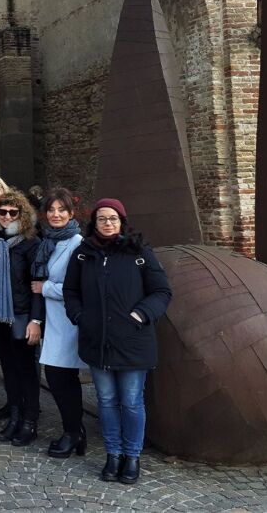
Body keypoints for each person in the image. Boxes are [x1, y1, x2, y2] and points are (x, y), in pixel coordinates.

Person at [64, 198, 172, 485]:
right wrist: (80, 316)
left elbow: (161, 291)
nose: (107, 223)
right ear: (94, 223)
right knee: (107, 400)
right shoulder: (83, 254)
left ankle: (132, 455)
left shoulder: (139, 252)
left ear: (122, 222)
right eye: (102, 218)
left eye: (113, 218)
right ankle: (113, 454)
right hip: (97, 340)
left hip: (132, 340)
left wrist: (140, 315)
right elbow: (70, 291)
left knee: (132, 401)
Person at [0, 190, 42, 444]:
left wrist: (36, 320)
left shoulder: (30, 244)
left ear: (22, 215)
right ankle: (14, 415)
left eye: (13, 212)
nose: (6, 216)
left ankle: (30, 419)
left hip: (21, 314)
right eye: (2, 212)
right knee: (8, 366)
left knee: (26, 369)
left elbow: (37, 285)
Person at [31, 188, 87, 458]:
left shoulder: (77, 244)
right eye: (51, 210)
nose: (56, 214)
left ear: (71, 213)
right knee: (59, 378)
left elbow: (80, 286)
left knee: (61, 378)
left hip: (67, 321)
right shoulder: (48, 241)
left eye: (61, 210)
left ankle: (73, 432)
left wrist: (45, 288)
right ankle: (75, 430)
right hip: (52, 320)